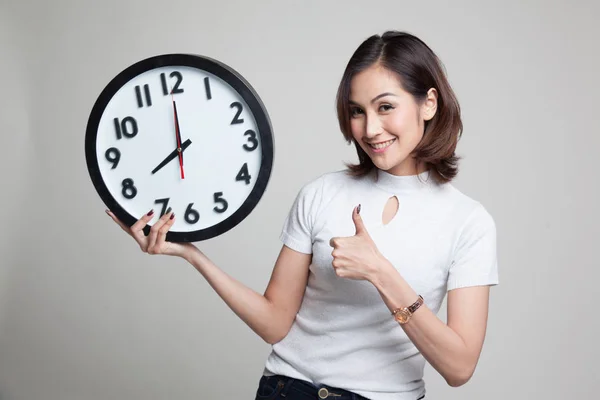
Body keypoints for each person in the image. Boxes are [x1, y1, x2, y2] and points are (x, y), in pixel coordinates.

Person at [106, 31, 499, 400]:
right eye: (357, 111)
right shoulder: (322, 193)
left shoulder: (468, 222)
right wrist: (192, 254)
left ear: (428, 103)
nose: (370, 128)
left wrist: (381, 272)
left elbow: (459, 367)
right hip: (288, 388)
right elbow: (275, 322)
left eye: (386, 107)